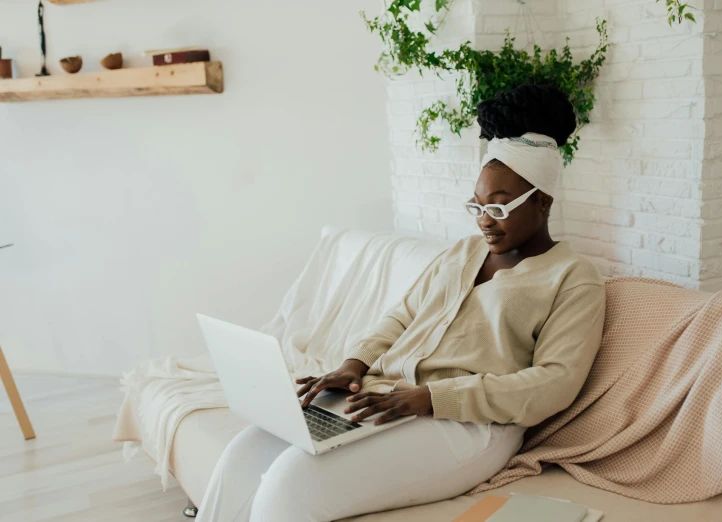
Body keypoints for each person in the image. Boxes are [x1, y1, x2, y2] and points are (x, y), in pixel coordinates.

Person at [194, 84, 607, 522]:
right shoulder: (461, 253)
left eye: (501, 208)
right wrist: (354, 363)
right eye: (478, 205)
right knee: (247, 451)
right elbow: (402, 316)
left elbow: (554, 383)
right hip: (386, 394)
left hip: (471, 427)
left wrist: (432, 397)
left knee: (291, 483)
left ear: (543, 202)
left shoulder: (574, 279)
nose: (485, 220)